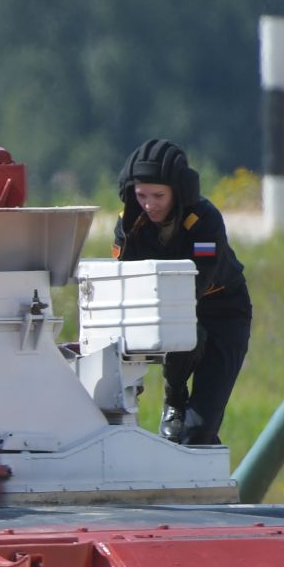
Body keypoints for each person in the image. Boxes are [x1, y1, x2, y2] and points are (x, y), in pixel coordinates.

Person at [112, 139, 252, 445]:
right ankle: (174, 395)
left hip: (223, 310)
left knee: (197, 431)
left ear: (178, 191)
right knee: (184, 334)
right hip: (168, 313)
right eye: (141, 195)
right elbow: (124, 280)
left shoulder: (203, 221)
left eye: (158, 196)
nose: (149, 205)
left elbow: (199, 280)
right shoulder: (129, 224)